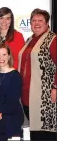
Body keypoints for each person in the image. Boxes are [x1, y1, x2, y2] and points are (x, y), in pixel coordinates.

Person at [18, 8, 56, 140]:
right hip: (27, 95)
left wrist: (55, 87)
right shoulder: (29, 39)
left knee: (44, 133)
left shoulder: (53, 39)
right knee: (35, 132)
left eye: (40, 20)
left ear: (47, 23)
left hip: (44, 97)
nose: (37, 23)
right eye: (34, 20)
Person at [0, 7, 25, 82]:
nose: (4, 21)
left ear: (11, 21)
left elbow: (21, 60)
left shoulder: (18, 36)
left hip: (12, 77)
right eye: (1, 18)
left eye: (7, 18)